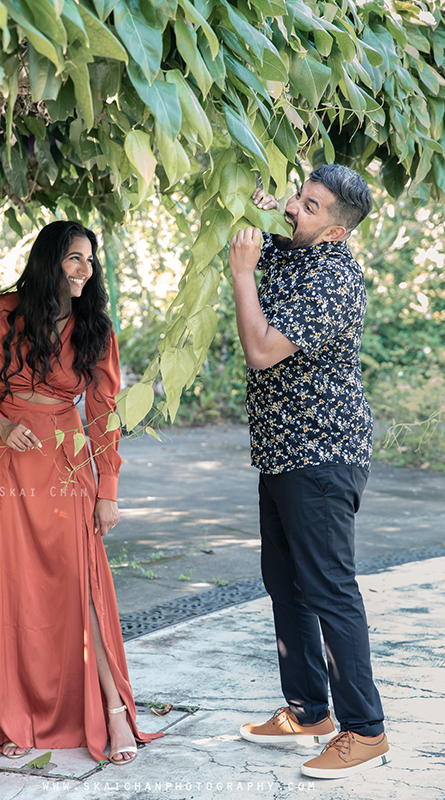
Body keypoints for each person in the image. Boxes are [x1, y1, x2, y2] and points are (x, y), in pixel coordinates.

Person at [0, 220, 163, 764]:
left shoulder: (95, 326)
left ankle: (112, 714)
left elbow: (103, 414)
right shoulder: (0, 312)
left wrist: (108, 490)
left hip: (66, 464)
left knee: (82, 584)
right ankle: (13, 715)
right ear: (51, 259)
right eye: (75, 258)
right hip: (2, 463)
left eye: (90, 261)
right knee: (9, 588)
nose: (85, 270)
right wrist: (0, 424)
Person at [228, 165, 389, 779]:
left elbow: (263, 350)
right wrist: (277, 207)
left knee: (329, 589)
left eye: (312, 206)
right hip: (283, 453)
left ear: (338, 232)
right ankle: (308, 710)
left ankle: (365, 729)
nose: (298, 208)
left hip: (321, 455)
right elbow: (259, 232)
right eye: (301, 195)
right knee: (286, 583)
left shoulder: (333, 278)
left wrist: (244, 277)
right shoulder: (301, 252)